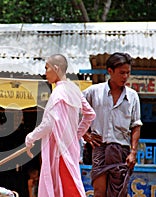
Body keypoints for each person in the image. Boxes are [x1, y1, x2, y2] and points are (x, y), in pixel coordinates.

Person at [25, 54, 96, 197]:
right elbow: (90, 114)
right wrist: (75, 135)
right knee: (63, 188)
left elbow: (49, 124)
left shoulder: (58, 93)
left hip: (60, 150)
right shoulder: (74, 90)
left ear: (56, 68)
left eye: (47, 68)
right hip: (70, 147)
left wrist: (31, 137)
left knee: (68, 188)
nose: (45, 73)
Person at [82, 52, 142, 197]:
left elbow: (136, 125)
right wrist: (85, 135)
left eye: (128, 73)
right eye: (121, 73)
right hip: (99, 149)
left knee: (119, 193)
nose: (125, 77)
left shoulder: (133, 96)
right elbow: (75, 110)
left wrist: (133, 152)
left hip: (121, 151)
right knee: (99, 192)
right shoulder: (93, 92)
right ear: (110, 71)